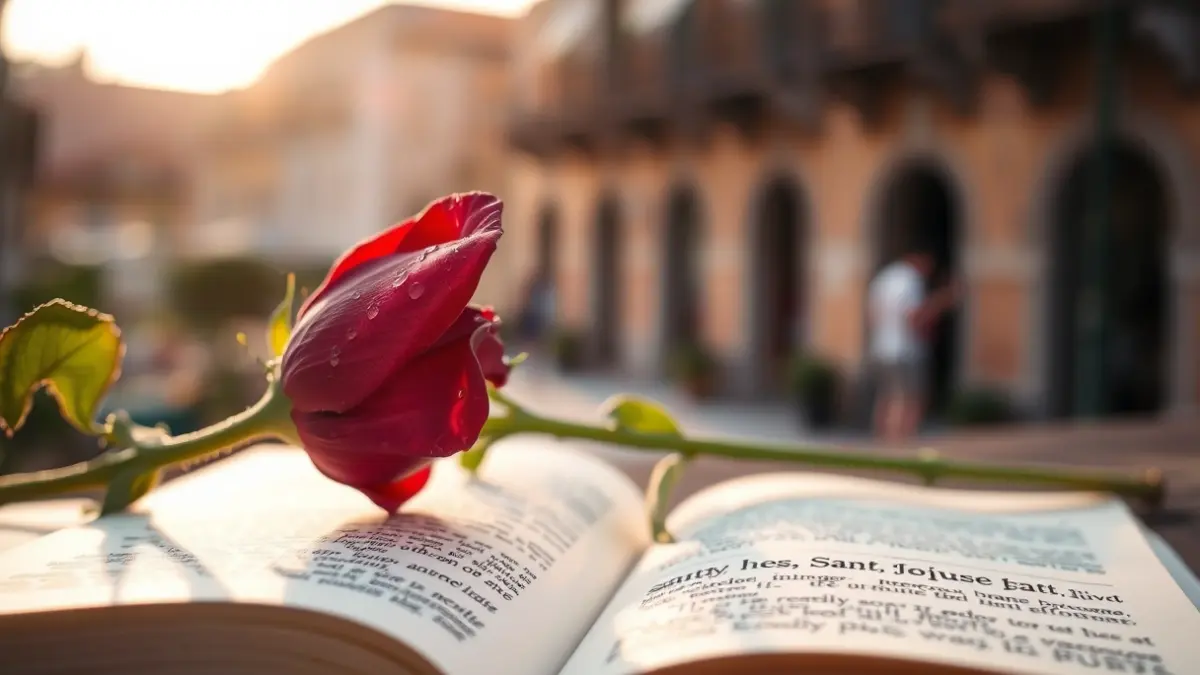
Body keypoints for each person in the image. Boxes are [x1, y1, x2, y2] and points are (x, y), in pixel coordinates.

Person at [867, 248, 960, 443]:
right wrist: (942, 302)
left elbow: (872, 316)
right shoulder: (911, 280)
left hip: (882, 347)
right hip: (906, 350)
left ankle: (882, 445)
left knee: (886, 397)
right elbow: (914, 318)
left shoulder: (885, 277)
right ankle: (902, 446)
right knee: (910, 399)